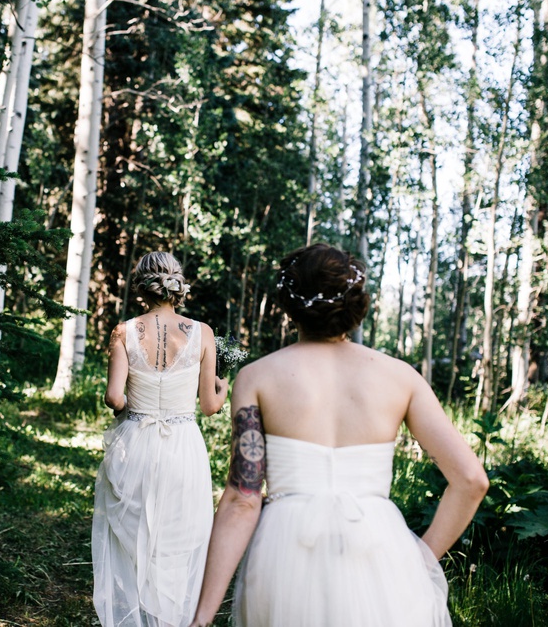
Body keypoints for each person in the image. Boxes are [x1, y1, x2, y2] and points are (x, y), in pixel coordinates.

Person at [189, 243, 489, 627]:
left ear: (289, 303)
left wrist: (202, 617)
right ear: (356, 304)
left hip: (285, 554)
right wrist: (420, 562)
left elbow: (242, 501)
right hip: (379, 550)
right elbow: (471, 480)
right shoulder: (400, 377)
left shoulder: (257, 377)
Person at [92, 251, 229, 627]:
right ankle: (170, 615)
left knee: (134, 538)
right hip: (183, 446)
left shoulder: (124, 331)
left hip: (135, 441)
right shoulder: (202, 333)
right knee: (178, 538)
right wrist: (223, 388)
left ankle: (138, 614)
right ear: (177, 285)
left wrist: (127, 408)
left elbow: (113, 397)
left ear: (141, 286)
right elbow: (209, 406)